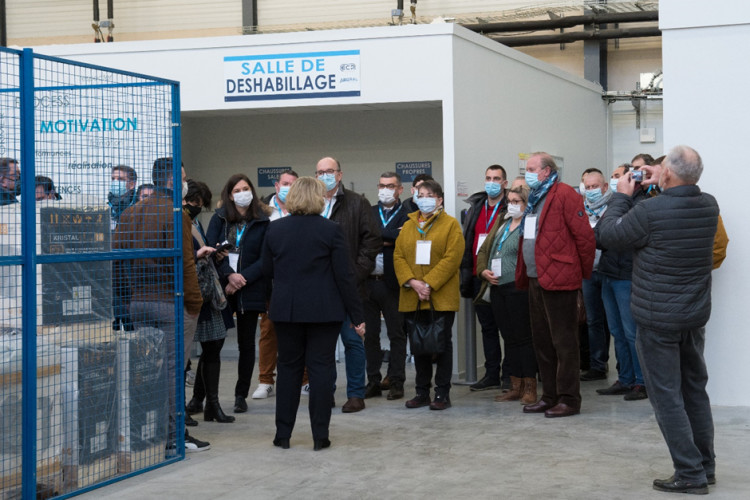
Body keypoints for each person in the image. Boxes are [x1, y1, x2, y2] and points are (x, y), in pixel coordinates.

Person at [597, 145, 719, 494]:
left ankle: (690, 474)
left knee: (666, 397)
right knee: (694, 392)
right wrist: (661, 181)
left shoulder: (650, 211)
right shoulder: (709, 205)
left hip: (657, 320)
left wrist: (621, 196)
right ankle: (705, 467)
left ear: (666, 174)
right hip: (693, 317)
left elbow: (607, 236)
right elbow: (676, 199)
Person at [262, 176, 365, 451]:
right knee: (321, 370)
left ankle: (282, 435)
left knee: (288, 370)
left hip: (286, 311)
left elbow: (265, 270)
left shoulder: (275, 230)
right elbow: (345, 276)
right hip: (324, 311)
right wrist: (357, 315)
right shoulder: (331, 230)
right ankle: (320, 436)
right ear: (319, 199)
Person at [114, 157, 210, 452]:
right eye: (182, 177)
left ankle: (146, 434)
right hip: (171, 303)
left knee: (146, 371)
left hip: (138, 303)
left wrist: (126, 300)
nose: (185, 182)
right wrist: (195, 303)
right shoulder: (176, 213)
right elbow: (185, 264)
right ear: (172, 180)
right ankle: (174, 435)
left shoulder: (130, 213)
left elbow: (117, 261)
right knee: (172, 371)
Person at [516, 152, 595, 418]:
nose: (526, 173)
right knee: (542, 342)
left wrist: (579, 277)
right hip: (535, 278)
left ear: (546, 171)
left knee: (564, 343)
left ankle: (569, 399)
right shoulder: (535, 199)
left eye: (530, 168)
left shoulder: (564, 195)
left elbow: (585, 238)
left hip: (560, 279)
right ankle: (549, 396)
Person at [316, 157, 381, 414]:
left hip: (352, 287)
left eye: (329, 171)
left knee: (353, 341)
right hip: (320, 288)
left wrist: (356, 272)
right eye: (320, 172)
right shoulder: (312, 203)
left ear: (340, 174)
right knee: (323, 346)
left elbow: (372, 240)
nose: (325, 176)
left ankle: (355, 394)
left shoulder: (357, 202)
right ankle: (325, 392)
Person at [394, 179, 464, 410]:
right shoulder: (409, 224)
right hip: (413, 296)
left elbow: (452, 258)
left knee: (441, 345)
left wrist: (429, 284)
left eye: (428, 195)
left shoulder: (451, 225)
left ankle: (442, 393)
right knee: (418, 346)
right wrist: (414, 283)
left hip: (440, 297)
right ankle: (421, 392)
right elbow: (399, 257)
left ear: (439, 199)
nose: (423, 199)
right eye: (420, 194)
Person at [206, 174, 270, 414]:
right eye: (237, 190)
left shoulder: (264, 220)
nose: (243, 192)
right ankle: (206, 397)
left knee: (246, 344)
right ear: (229, 195)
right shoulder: (219, 218)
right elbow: (211, 251)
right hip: (222, 287)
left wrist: (242, 279)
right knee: (214, 343)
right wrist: (229, 275)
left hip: (250, 287)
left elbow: (266, 258)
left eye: (246, 188)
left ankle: (240, 395)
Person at [475, 185, 537, 404]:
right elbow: (485, 249)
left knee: (523, 338)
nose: (512, 205)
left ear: (526, 204)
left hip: (518, 287)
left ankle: (530, 386)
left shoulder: (530, 224)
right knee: (508, 338)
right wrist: (483, 270)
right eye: (509, 201)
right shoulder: (502, 222)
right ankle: (515, 385)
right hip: (497, 287)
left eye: (517, 201)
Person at [594, 163, 647, 401]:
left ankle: (642, 381)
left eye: (621, 176)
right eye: (615, 176)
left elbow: (626, 237)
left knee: (631, 332)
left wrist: (612, 236)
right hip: (608, 272)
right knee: (616, 331)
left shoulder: (643, 204)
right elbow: (600, 235)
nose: (618, 180)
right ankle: (625, 379)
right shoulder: (615, 203)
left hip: (627, 276)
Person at [183, 180, 235, 423]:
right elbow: (179, 257)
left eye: (200, 204)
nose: (196, 207)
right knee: (184, 354)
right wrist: (197, 254)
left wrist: (213, 252)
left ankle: (209, 404)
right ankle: (183, 408)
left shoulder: (195, 223)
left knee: (214, 345)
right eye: (193, 203)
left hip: (207, 292)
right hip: (190, 294)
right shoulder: (177, 222)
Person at [460, 165, 509, 392]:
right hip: (479, 276)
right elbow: (469, 241)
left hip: (503, 277)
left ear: (504, 183)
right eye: (488, 178)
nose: (492, 182)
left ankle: (510, 374)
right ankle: (492, 374)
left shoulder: (510, 206)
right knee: (487, 329)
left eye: (496, 178)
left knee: (508, 329)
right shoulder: (476, 207)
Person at [252, 169, 300, 400]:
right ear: (276, 184)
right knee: (268, 331)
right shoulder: (261, 211)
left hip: (299, 281)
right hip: (270, 280)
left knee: (302, 331)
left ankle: (305, 379)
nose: (288, 187)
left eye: (293, 184)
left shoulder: (303, 210)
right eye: (285, 183)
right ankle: (265, 380)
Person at [363, 172, 410, 401]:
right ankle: (372, 380)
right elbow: (362, 239)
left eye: (390, 186)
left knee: (396, 334)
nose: (385, 190)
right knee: (370, 335)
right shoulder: (369, 212)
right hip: (369, 282)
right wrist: (389, 238)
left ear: (400, 189)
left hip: (394, 284)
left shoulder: (408, 215)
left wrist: (377, 237)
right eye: (382, 185)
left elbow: (405, 240)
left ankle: (396, 380)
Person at [579, 169, 612, 382]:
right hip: (588, 273)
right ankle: (597, 365)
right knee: (593, 321)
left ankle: (625, 370)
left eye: (595, 186)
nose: (591, 191)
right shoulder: (580, 211)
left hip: (610, 272)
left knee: (614, 322)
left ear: (605, 187)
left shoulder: (614, 209)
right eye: (588, 187)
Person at [108, 165, 138, 229]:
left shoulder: (139, 207)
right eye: (113, 179)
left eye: (120, 179)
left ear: (132, 184)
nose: (115, 182)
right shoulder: (107, 208)